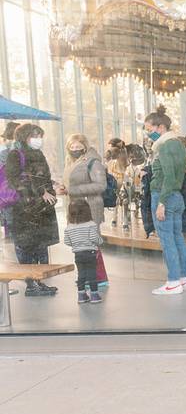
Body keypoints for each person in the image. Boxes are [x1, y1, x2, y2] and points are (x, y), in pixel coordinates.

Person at [4, 123, 60, 296]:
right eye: (35, 135)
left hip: (41, 209)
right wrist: (40, 192)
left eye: (40, 136)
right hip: (24, 210)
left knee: (41, 247)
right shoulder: (15, 155)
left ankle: (40, 282)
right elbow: (15, 180)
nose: (38, 139)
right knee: (26, 247)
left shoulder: (38, 153)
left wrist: (51, 189)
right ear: (24, 136)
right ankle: (31, 285)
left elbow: (44, 177)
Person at [144, 105, 186, 296]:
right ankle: (184, 278)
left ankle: (173, 281)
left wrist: (162, 202)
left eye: (149, 129)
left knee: (167, 241)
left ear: (160, 127)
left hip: (164, 195)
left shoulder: (164, 146)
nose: (148, 133)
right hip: (177, 196)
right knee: (178, 238)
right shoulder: (178, 144)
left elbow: (169, 176)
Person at [62, 133, 109, 286]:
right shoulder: (71, 162)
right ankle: (91, 276)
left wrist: (72, 190)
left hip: (90, 207)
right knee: (83, 244)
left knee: (90, 243)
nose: (75, 149)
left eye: (78, 146)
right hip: (76, 208)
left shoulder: (93, 162)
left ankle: (97, 277)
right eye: (72, 147)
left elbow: (101, 185)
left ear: (85, 146)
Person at [63, 199, 103, 304]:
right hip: (90, 253)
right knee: (91, 274)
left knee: (81, 274)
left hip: (78, 254)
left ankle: (81, 295)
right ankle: (94, 295)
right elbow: (94, 238)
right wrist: (100, 241)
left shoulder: (69, 227)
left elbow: (67, 241)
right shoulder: (91, 224)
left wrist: (76, 243)